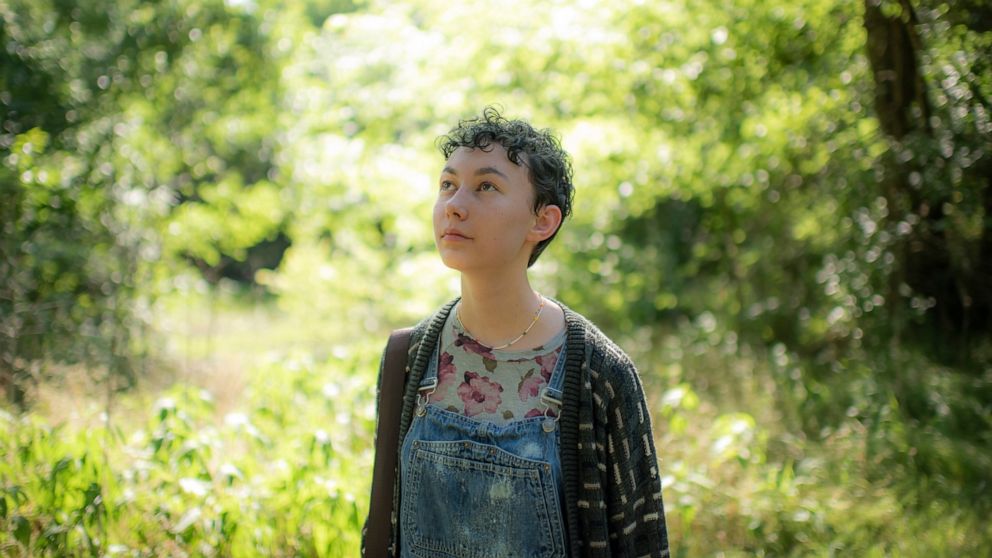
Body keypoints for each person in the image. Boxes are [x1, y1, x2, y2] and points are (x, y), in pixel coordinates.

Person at [362, 107, 669, 557]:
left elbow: (641, 543)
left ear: (542, 221)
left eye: (486, 186)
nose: (455, 205)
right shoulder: (408, 357)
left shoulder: (599, 374)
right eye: (448, 185)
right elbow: (384, 529)